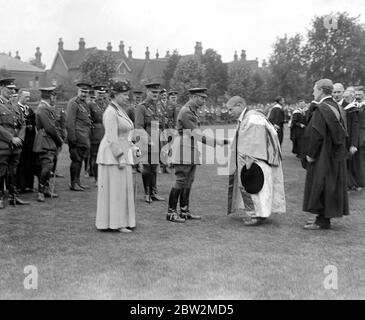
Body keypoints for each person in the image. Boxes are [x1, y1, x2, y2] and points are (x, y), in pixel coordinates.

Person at [166, 88, 228, 223]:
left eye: (205, 98)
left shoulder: (191, 111)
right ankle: (171, 212)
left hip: (190, 148)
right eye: (201, 97)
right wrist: (216, 141)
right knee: (181, 180)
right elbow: (197, 134)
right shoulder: (187, 112)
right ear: (193, 97)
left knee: (188, 181)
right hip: (183, 149)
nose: (204, 100)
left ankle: (184, 211)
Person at [226, 96, 286, 226]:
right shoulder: (248, 117)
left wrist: (249, 162)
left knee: (254, 188)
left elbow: (255, 141)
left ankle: (255, 216)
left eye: (231, 109)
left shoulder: (252, 118)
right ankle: (259, 214)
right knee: (258, 189)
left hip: (255, 161)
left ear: (239, 105)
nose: (230, 113)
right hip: (254, 160)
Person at [302, 79, 349, 230]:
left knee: (321, 184)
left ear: (321, 90)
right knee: (329, 185)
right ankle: (321, 218)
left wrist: (311, 154)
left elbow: (317, 134)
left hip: (323, 154)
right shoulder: (337, 107)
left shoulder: (322, 109)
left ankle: (322, 220)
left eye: (314, 89)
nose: (313, 92)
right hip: (333, 153)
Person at [96, 80, 140, 233]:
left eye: (128, 94)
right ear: (115, 94)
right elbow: (111, 138)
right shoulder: (110, 112)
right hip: (112, 157)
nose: (127, 97)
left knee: (123, 189)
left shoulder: (120, 110)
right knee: (116, 190)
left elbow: (125, 134)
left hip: (122, 153)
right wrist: (120, 156)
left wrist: (133, 148)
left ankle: (123, 221)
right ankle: (115, 223)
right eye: (124, 95)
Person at [0, 78, 29, 208]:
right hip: (4, 145)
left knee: (13, 172)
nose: (11, 91)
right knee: (1, 172)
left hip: (16, 146)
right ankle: (0, 198)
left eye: (13, 89)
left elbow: (23, 124)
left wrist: (20, 139)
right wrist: (11, 138)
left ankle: (13, 197)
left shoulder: (15, 106)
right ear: (1, 88)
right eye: (9, 89)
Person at [135, 82, 165, 203]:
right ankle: (147, 193)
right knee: (146, 168)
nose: (155, 94)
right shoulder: (141, 107)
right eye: (153, 92)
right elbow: (138, 127)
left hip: (157, 140)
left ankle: (154, 192)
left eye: (157, 92)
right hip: (145, 142)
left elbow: (161, 125)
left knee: (154, 167)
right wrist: (148, 141)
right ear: (147, 92)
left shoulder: (158, 107)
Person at [33, 87, 63, 202]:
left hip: (48, 141)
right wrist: (59, 140)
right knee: (47, 166)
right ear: (50, 96)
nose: (54, 98)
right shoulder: (43, 108)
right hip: (45, 141)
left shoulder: (45, 107)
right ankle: (40, 191)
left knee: (49, 166)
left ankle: (45, 189)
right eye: (53, 96)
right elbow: (50, 127)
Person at [66, 82, 92, 191]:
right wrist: (72, 139)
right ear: (78, 91)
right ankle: (73, 183)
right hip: (76, 137)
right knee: (76, 160)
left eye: (86, 92)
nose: (84, 94)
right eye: (82, 91)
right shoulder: (73, 103)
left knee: (80, 160)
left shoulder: (85, 104)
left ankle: (78, 182)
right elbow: (70, 122)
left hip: (84, 138)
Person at [16, 90, 36, 193]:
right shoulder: (16, 109)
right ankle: (20, 186)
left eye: (29, 97)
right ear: (20, 96)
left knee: (29, 162)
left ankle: (29, 185)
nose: (28, 99)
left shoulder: (30, 110)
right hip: (20, 140)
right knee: (20, 163)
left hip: (29, 141)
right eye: (26, 97)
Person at [89, 84, 108, 184]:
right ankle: (97, 178)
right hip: (95, 134)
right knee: (96, 157)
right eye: (99, 93)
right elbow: (88, 120)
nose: (101, 95)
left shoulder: (107, 104)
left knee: (105, 156)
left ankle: (103, 177)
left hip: (106, 133)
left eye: (103, 93)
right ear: (95, 93)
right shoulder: (91, 105)